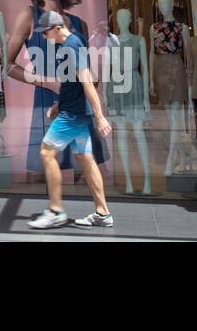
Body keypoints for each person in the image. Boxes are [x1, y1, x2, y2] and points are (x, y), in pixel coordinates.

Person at [5, 0, 106, 173]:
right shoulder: (30, 16)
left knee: (84, 172)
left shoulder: (80, 24)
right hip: (48, 101)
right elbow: (8, 65)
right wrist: (48, 83)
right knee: (46, 174)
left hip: (78, 103)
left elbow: (85, 69)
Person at [19, 11, 115, 229]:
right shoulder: (74, 41)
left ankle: (55, 211)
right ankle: (103, 213)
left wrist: (100, 117)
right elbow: (71, 82)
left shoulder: (71, 46)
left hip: (73, 115)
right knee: (85, 158)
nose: (44, 38)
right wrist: (58, 104)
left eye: (45, 33)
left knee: (46, 152)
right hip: (76, 112)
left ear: (57, 28)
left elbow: (87, 81)